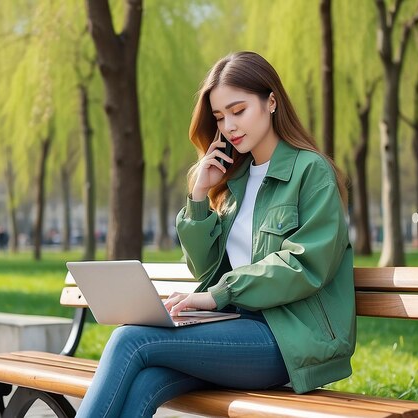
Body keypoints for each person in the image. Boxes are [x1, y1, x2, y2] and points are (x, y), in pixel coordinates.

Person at [75, 51, 356, 418]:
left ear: (271, 102)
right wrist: (198, 198)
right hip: (233, 329)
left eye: (238, 111)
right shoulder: (234, 180)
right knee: (145, 381)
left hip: (285, 339)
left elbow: (305, 264)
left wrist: (219, 294)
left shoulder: (310, 172)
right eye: (220, 117)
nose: (229, 126)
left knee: (131, 339)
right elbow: (205, 269)